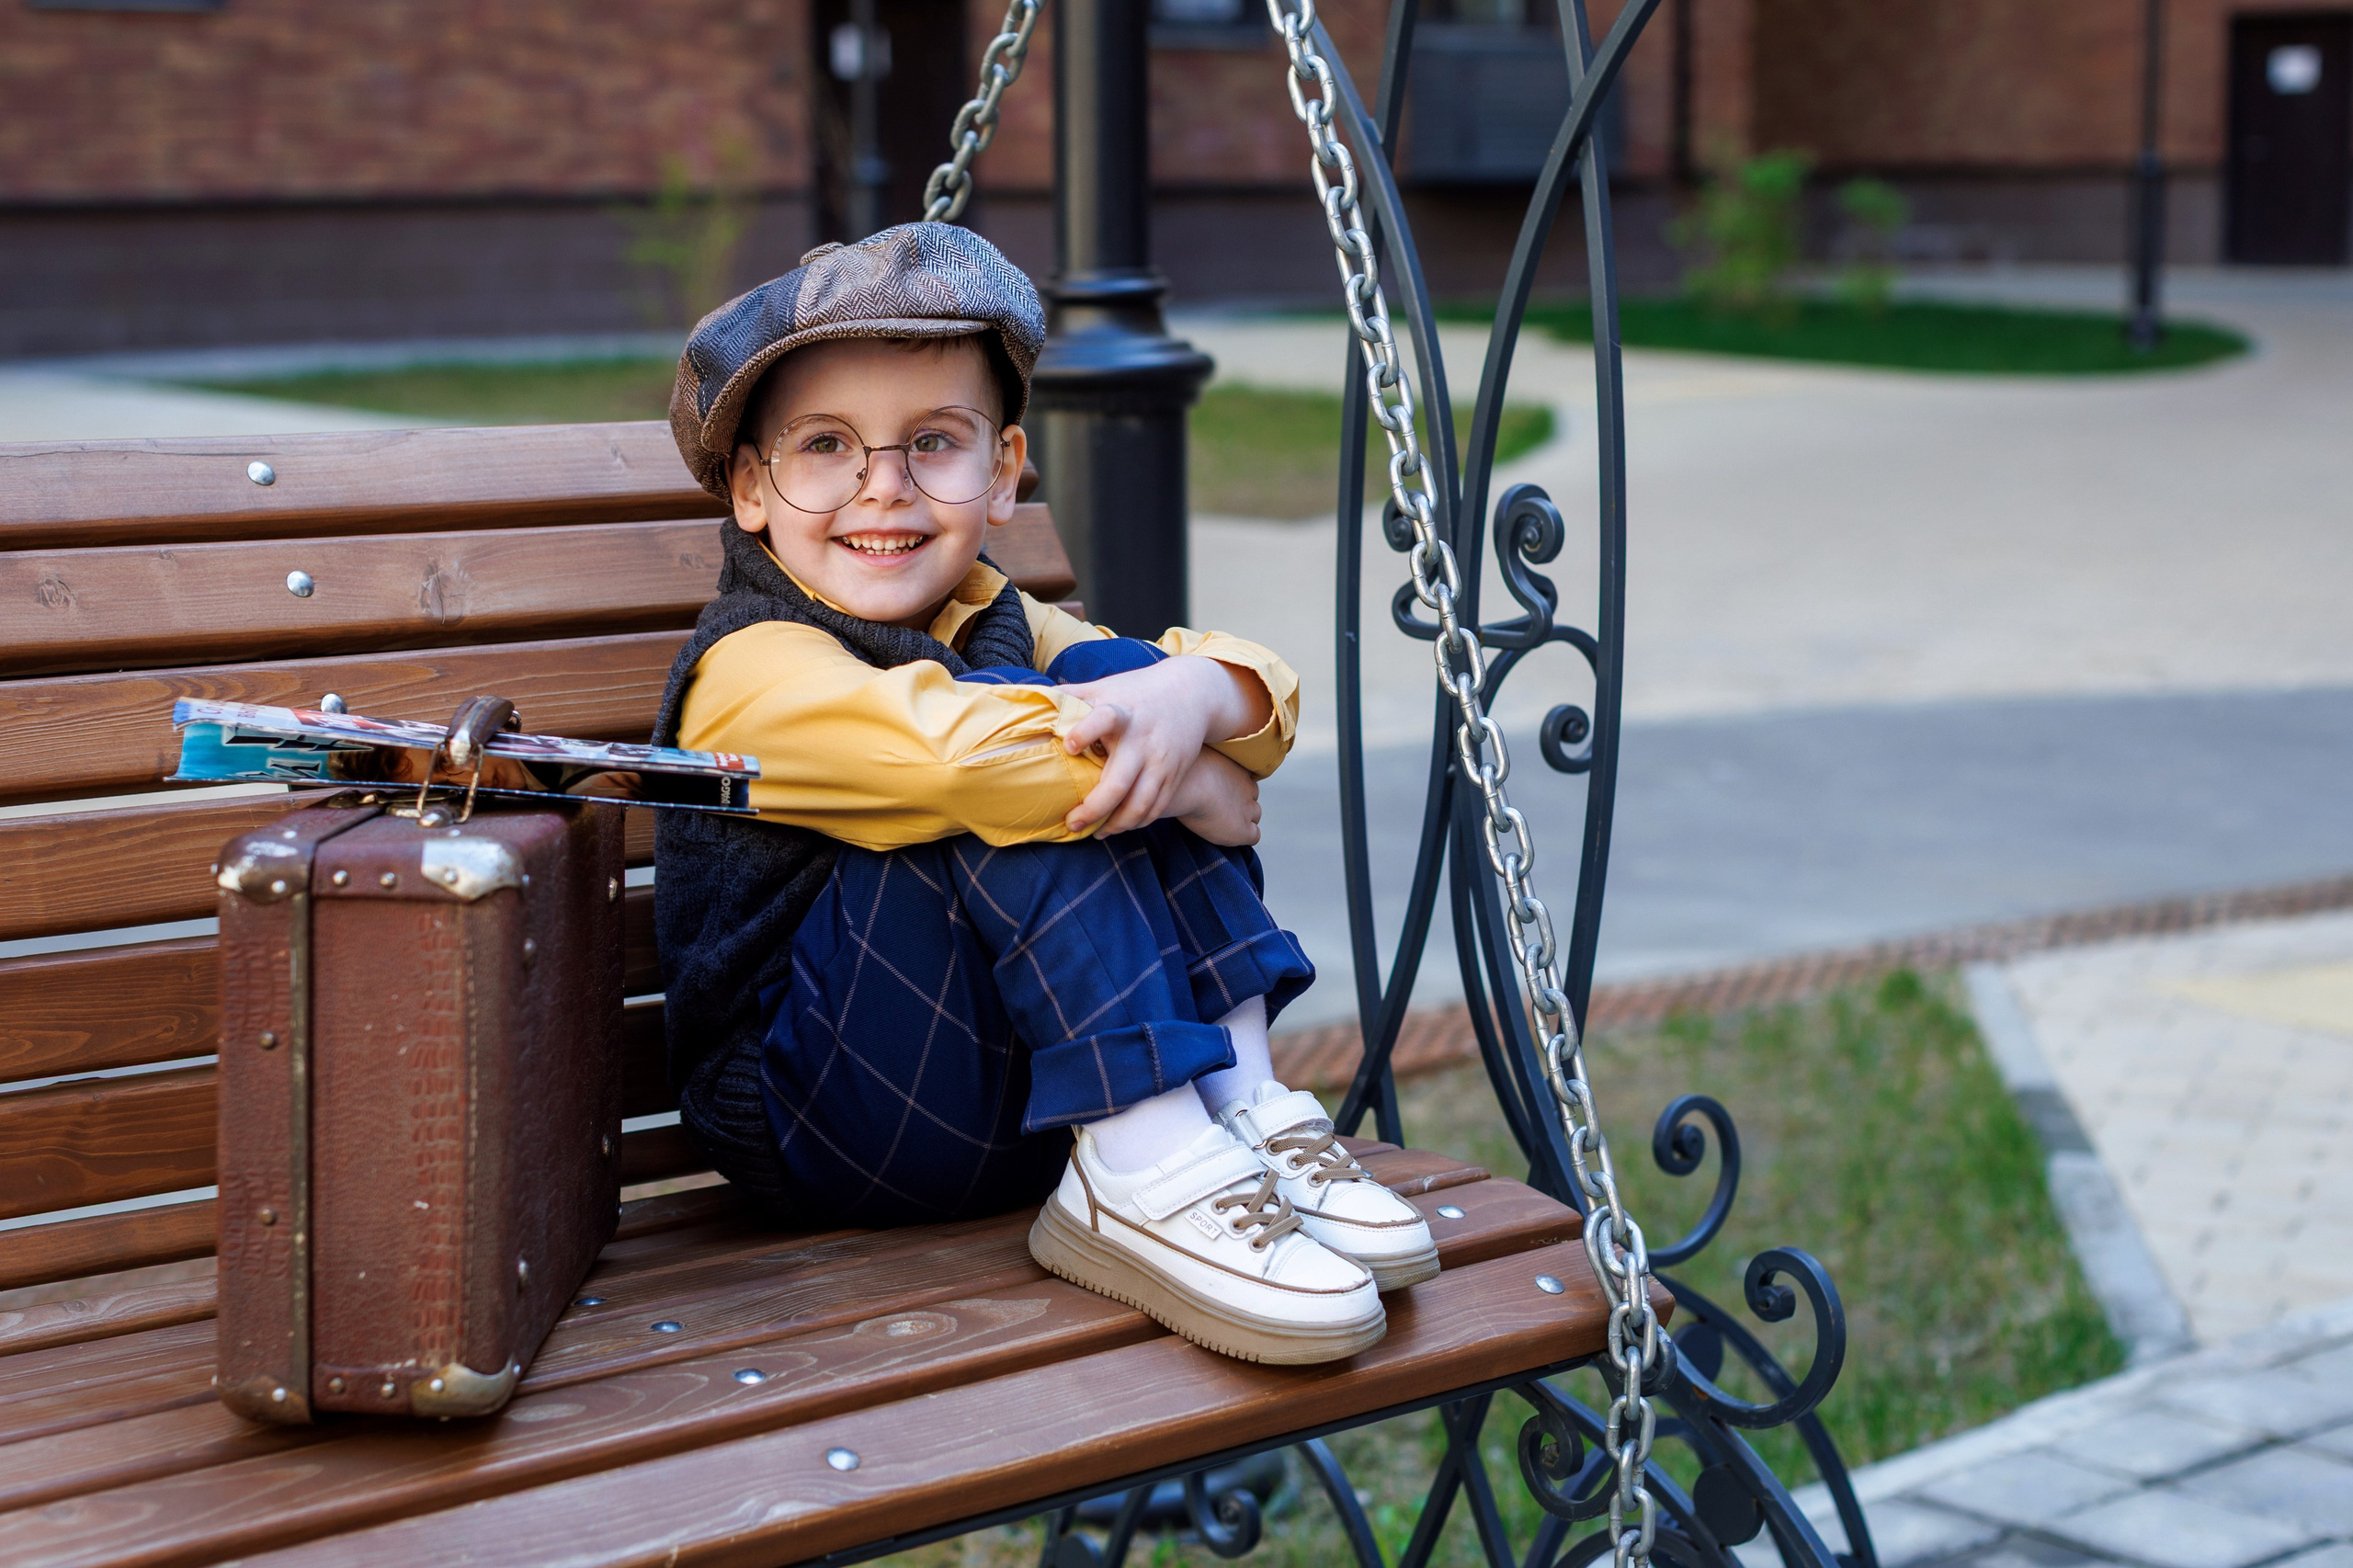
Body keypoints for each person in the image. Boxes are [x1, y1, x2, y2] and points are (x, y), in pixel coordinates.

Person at [649, 223, 1435, 1366]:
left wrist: (1200, 710)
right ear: (750, 491)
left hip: (1015, 1094)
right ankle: (1149, 1159)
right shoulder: (749, 667)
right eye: (826, 445)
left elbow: (1236, 684)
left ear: (1005, 468)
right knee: (1022, 748)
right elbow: (964, 763)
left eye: (935, 442)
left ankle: (1232, 1101)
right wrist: (1197, 773)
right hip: (817, 1114)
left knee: (1113, 678)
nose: (886, 487)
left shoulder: (985, 611)